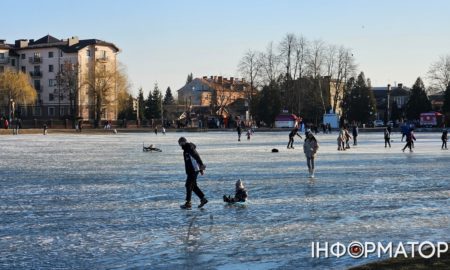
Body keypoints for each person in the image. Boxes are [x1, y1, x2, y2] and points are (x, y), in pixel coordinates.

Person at [178, 137, 208, 209]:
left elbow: (196, 156)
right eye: (179, 144)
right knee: (193, 186)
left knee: (188, 185)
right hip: (192, 170)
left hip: (193, 170)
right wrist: (200, 170)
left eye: (181, 143)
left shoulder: (189, 147)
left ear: (184, 142)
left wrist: (201, 165)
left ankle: (188, 203)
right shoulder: (186, 149)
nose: (180, 145)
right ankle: (203, 199)